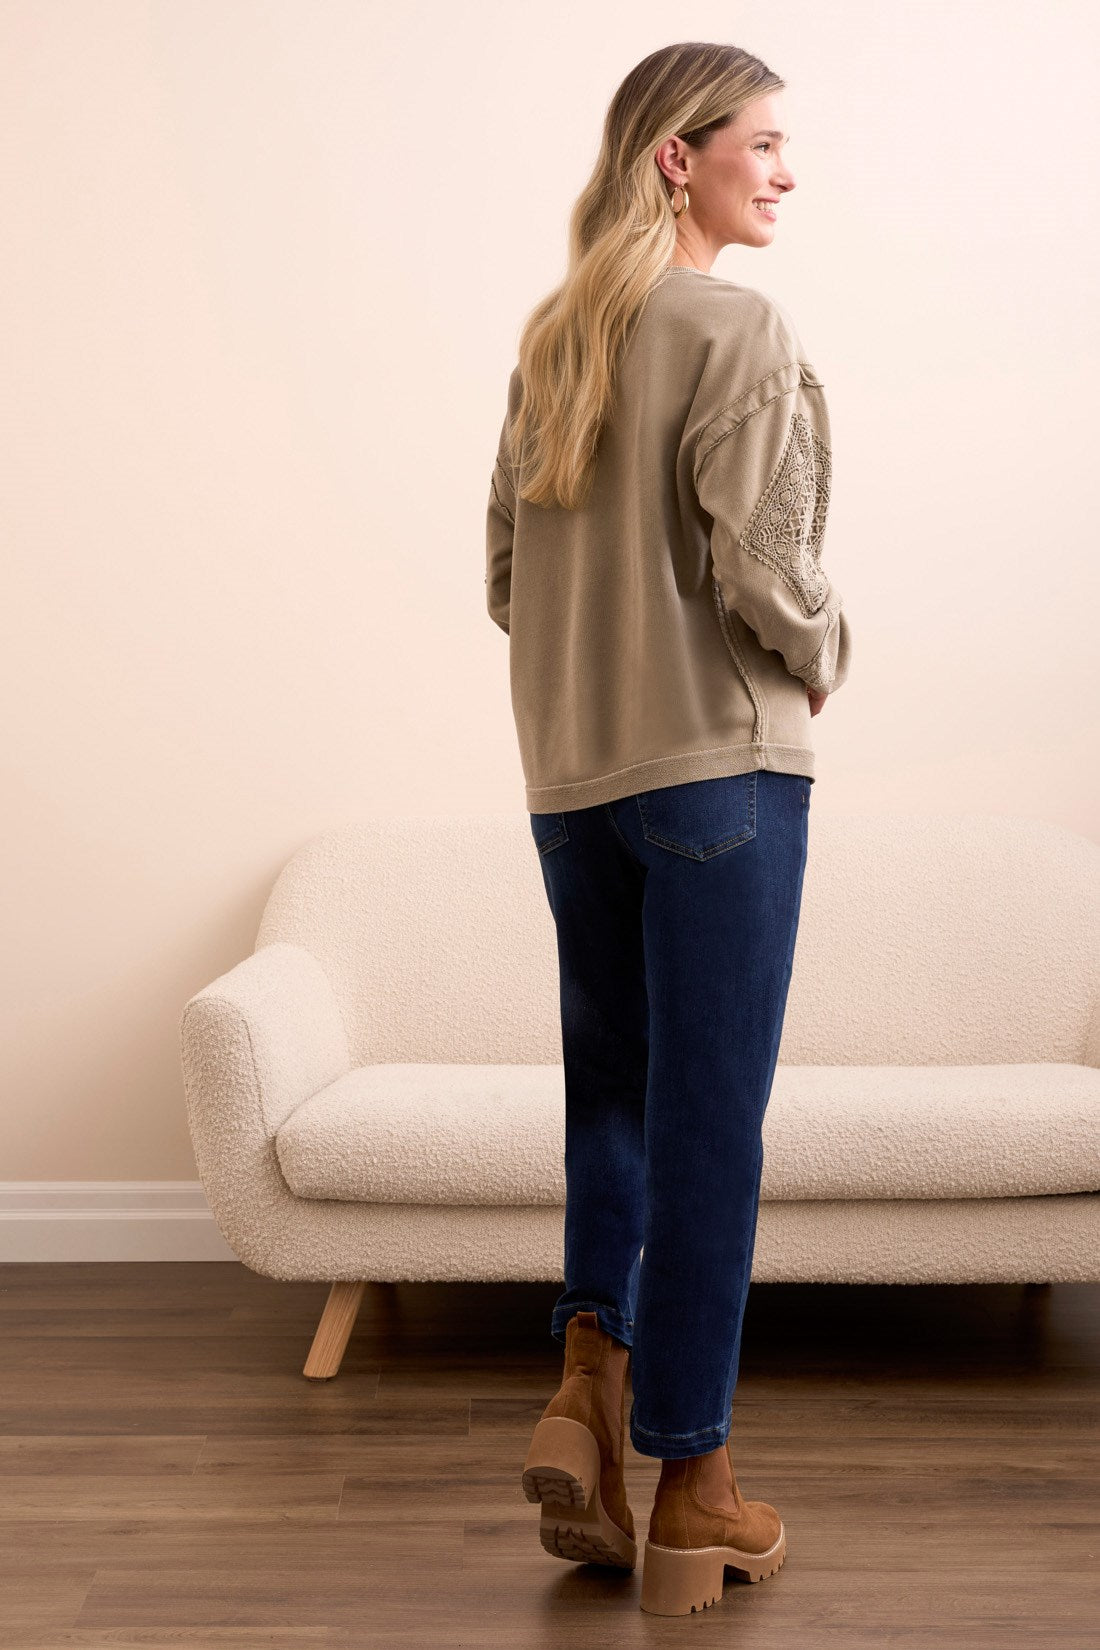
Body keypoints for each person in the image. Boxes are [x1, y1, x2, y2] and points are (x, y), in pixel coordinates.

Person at [487, 41, 853, 1617]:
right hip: (719, 773)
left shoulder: (556, 338)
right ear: (674, 158)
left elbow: (507, 578)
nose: (784, 172)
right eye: (761, 144)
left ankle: (587, 1389)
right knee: (712, 1125)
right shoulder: (737, 327)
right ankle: (696, 1484)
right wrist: (829, 648)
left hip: (572, 783)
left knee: (616, 1099)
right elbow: (769, 571)